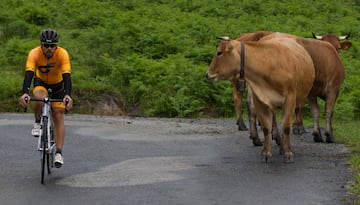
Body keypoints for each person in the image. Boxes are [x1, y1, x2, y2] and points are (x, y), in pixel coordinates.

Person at [19, 29, 73, 168]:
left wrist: (67, 95)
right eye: (46, 45)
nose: (49, 48)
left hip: (59, 87)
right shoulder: (34, 53)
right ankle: (37, 122)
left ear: (57, 46)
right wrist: (25, 93)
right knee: (39, 98)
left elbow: (67, 76)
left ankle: (59, 153)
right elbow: (29, 73)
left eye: (52, 45)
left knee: (59, 114)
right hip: (41, 83)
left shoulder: (62, 54)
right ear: (41, 45)